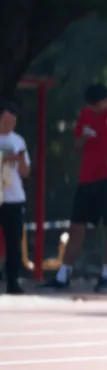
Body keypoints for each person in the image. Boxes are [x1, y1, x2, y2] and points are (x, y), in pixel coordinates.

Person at [46, 83, 107, 292]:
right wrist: (84, 138)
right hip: (87, 179)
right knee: (76, 227)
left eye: (97, 105)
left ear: (106, 100)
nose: (94, 110)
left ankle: (106, 276)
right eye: (91, 106)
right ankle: (63, 275)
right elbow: (76, 146)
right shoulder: (86, 115)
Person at [0, 100, 30, 295]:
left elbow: (26, 172)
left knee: (14, 241)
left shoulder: (18, 140)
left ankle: (13, 281)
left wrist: (20, 160)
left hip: (14, 197)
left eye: (13, 122)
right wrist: (4, 158)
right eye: (6, 121)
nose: (10, 125)